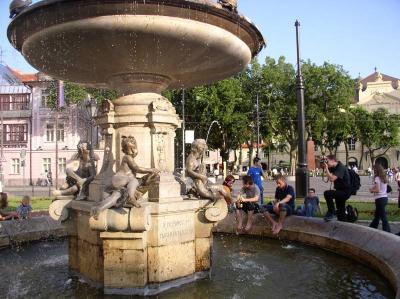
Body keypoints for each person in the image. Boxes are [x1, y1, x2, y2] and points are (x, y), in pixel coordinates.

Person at [322, 155, 351, 222]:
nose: (327, 163)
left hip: (345, 192)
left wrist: (326, 168)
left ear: (333, 160)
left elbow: (332, 179)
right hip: (339, 191)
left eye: (328, 161)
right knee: (341, 211)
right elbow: (325, 168)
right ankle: (343, 225)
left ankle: (331, 212)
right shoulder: (333, 167)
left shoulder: (341, 167)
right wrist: (324, 160)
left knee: (327, 193)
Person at [369, 164, 391, 232]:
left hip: (380, 199)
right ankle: (372, 227)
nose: (373, 171)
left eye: (374, 169)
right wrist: (373, 188)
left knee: (383, 216)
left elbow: (378, 190)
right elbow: (382, 188)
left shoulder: (377, 178)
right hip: (385, 198)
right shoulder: (384, 177)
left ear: (376, 170)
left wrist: (371, 190)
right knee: (377, 215)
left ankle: (387, 231)